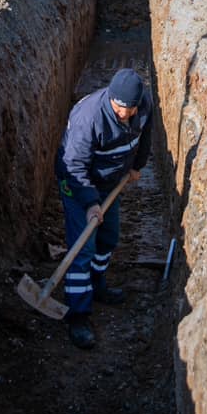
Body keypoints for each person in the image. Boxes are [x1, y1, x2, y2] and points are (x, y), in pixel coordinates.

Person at [55, 68, 153, 349]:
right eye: (118, 107)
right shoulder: (89, 118)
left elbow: (146, 135)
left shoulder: (143, 105)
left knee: (108, 237)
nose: (124, 113)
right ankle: (78, 315)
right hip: (77, 184)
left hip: (110, 181)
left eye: (129, 108)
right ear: (110, 97)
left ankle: (97, 284)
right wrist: (89, 203)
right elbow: (74, 166)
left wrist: (137, 165)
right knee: (82, 249)